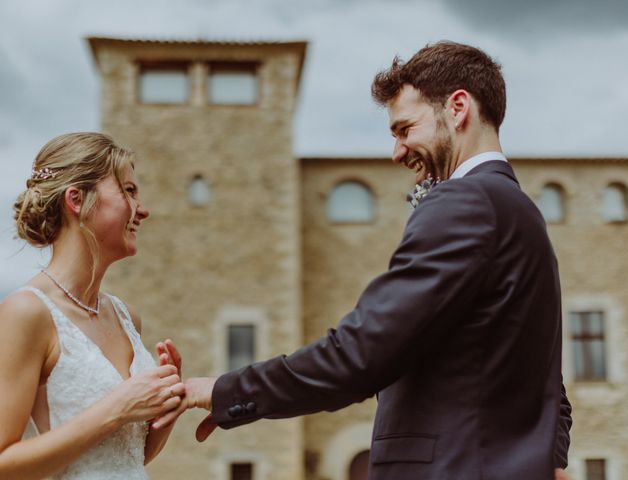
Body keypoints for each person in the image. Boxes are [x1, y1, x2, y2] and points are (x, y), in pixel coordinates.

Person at [157, 41, 573, 479]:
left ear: (457, 108)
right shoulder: (522, 212)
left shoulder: (463, 202)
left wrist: (225, 390)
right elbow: (550, 382)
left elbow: (361, 352)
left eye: (404, 129)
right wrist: (552, 458)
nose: (397, 152)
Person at [0, 132, 185, 480]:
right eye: (129, 191)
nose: (142, 210)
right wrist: (118, 407)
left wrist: (167, 404)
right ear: (77, 199)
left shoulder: (127, 317)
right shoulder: (27, 313)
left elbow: (126, 457)